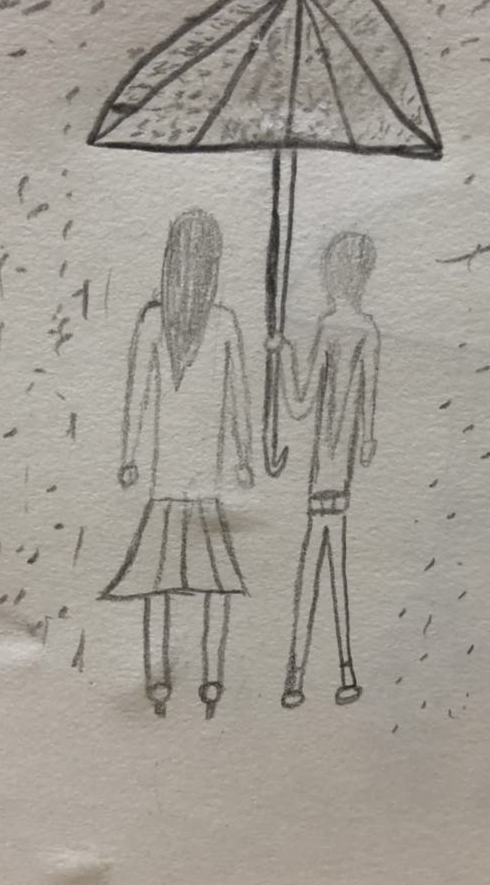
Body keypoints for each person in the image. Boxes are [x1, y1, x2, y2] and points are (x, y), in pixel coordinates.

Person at [101, 209, 253, 718]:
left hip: (171, 480)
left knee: (158, 584)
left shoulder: (161, 321)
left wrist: (129, 457)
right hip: (199, 480)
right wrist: (244, 459)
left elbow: (137, 398)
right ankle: (210, 682)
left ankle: (159, 682)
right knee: (213, 585)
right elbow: (238, 399)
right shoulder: (215, 322)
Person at [271, 230, 380, 709]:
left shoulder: (329, 327)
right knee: (334, 572)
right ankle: (344, 671)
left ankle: (295, 676)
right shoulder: (368, 331)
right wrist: (365, 442)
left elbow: (298, 404)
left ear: (335, 275)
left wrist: (281, 356)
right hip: (342, 475)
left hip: (322, 476)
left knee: (315, 570)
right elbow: (369, 419)